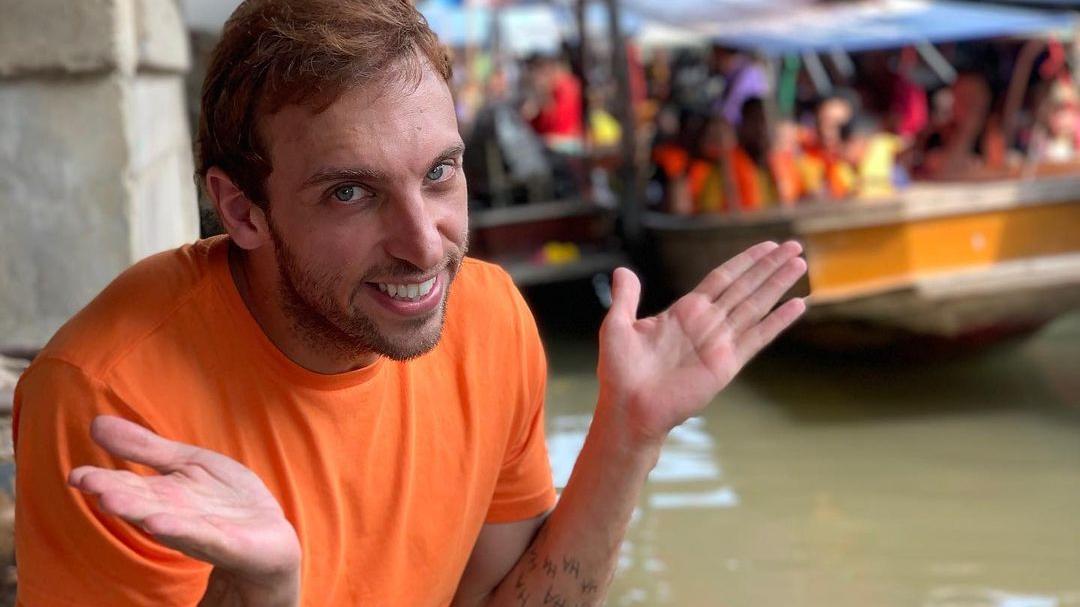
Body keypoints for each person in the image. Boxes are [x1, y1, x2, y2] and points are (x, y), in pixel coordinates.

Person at [12, 1, 808, 605]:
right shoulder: (110, 398)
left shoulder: (488, 317)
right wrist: (258, 593)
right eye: (350, 192)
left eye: (439, 174)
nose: (426, 246)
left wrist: (626, 438)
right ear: (242, 210)